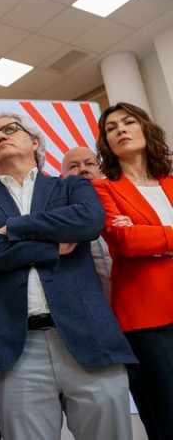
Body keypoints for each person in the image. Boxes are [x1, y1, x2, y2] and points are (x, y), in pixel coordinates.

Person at [0, 112, 136, 440]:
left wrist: (13, 227)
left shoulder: (72, 186)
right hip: (16, 348)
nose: (0, 136)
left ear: (35, 141)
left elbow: (87, 221)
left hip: (89, 338)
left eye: (10, 129)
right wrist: (52, 248)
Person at [92, 102, 173, 440]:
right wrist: (144, 236)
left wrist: (151, 237)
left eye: (128, 122)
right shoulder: (103, 189)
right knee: (166, 413)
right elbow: (125, 241)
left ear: (145, 129)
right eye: (111, 128)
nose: (120, 130)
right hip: (145, 316)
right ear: (106, 143)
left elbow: (139, 238)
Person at [60, 146, 113, 299]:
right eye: (74, 166)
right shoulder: (59, 220)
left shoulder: (123, 203)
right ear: (62, 178)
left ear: (101, 171)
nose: (83, 170)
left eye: (90, 164)